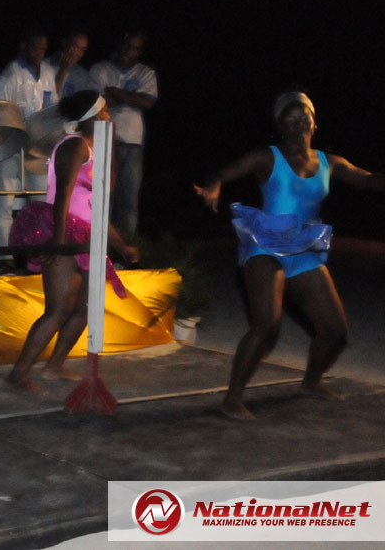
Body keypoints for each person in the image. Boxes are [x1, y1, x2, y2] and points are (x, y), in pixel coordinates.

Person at [194, 90, 385, 420]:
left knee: (335, 329)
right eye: (290, 119)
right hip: (265, 245)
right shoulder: (267, 157)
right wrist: (214, 187)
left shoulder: (330, 162)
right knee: (267, 323)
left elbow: (368, 181)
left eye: (304, 118)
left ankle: (310, 383)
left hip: (303, 248)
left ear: (314, 122)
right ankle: (232, 399)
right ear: (280, 126)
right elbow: (222, 174)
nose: (298, 124)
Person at [6, 91, 139, 395]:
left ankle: (54, 366)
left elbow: (94, 207)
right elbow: (63, 195)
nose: (109, 115)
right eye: (104, 111)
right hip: (64, 233)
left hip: (86, 235)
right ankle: (18, 374)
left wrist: (121, 245)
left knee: (86, 307)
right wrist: (58, 238)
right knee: (58, 309)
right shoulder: (74, 146)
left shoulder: (96, 148)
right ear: (91, 116)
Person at [0, 30, 58, 270]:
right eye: (35, 47)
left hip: (39, 147)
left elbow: (55, 109)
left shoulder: (49, 73)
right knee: (4, 203)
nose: (39, 52)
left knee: (41, 203)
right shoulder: (11, 74)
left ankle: (39, 257)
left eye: (43, 48)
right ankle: (3, 258)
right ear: (24, 46)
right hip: (10, 145)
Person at [89, 31, 157, 237]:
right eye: (128, 46)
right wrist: (131, 97)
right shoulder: (100, 70)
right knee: (104, 198)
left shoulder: (146, 73)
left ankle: (126, 251)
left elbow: (148, 102)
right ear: (120, 45)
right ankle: (103, 250)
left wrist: (117, 93)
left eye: (136, 48)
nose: (130, 52)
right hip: (103, 140)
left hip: (133, 142)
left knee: (129, 200)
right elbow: (97, 104)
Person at [50, 29, 94, 98]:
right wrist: (63, 70)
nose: (78, 53)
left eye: (82, 50)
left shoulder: (82, 75)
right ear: (64, 43)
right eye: (75, 46)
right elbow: (48, 97)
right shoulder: (45, 65)